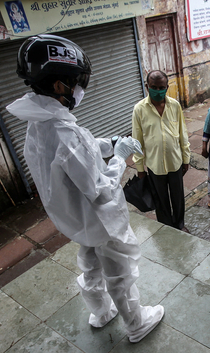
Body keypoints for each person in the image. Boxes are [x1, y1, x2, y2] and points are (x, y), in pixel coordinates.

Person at [7, 34, 163, 343]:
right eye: (74, 81)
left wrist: (112, 143)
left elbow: (82, 150)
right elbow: (101, 190)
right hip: (99, 218)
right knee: (119, 270)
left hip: (76, 219)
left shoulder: (39, 125)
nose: (78, 88)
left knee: (91, 262)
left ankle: (101, 311)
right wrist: (120, 157)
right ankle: (136, 323)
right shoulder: (64, 132)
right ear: (57, 85)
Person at [132, 70, 191, 230]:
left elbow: (182, 134)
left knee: (178, 197)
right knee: (160, 199)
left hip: (175, 162)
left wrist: (186, 159)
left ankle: (179, 224)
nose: (158, 91)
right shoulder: (139, 109)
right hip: (154, 164)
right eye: (154, 87)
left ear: (167, 87)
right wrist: (140, 168)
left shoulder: (175, 105)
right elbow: (137, 141)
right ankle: (167, 227)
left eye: (161, 87)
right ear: (147, 87)